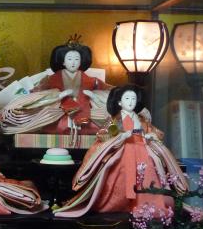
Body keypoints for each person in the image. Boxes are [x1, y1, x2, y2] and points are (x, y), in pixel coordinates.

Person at [54, 84, 188, 218]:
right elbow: (102, 135)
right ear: (119, 102)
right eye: (127, 98)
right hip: (123, 150)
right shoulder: (116, 120)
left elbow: (154, 132)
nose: (130, 102)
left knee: (149, 174)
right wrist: (121, 136)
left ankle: (147, 205)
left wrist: (149, 136)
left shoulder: (141, 119)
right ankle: (118, 203)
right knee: (119, 173)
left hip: (143, 150)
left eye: (133, 99)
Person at [0, 35, 112, 137]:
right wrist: (58, 95)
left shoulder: (93, 81)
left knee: (101, 123)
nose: (73, 62)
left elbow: (111, 92)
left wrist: (94, 96)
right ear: (63, 61)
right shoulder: (50, 79)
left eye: (77, 59)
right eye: (70, 59)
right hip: (57, 116)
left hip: (85, 117)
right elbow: (36, 93)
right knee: (53, 124)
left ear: (81, 61)